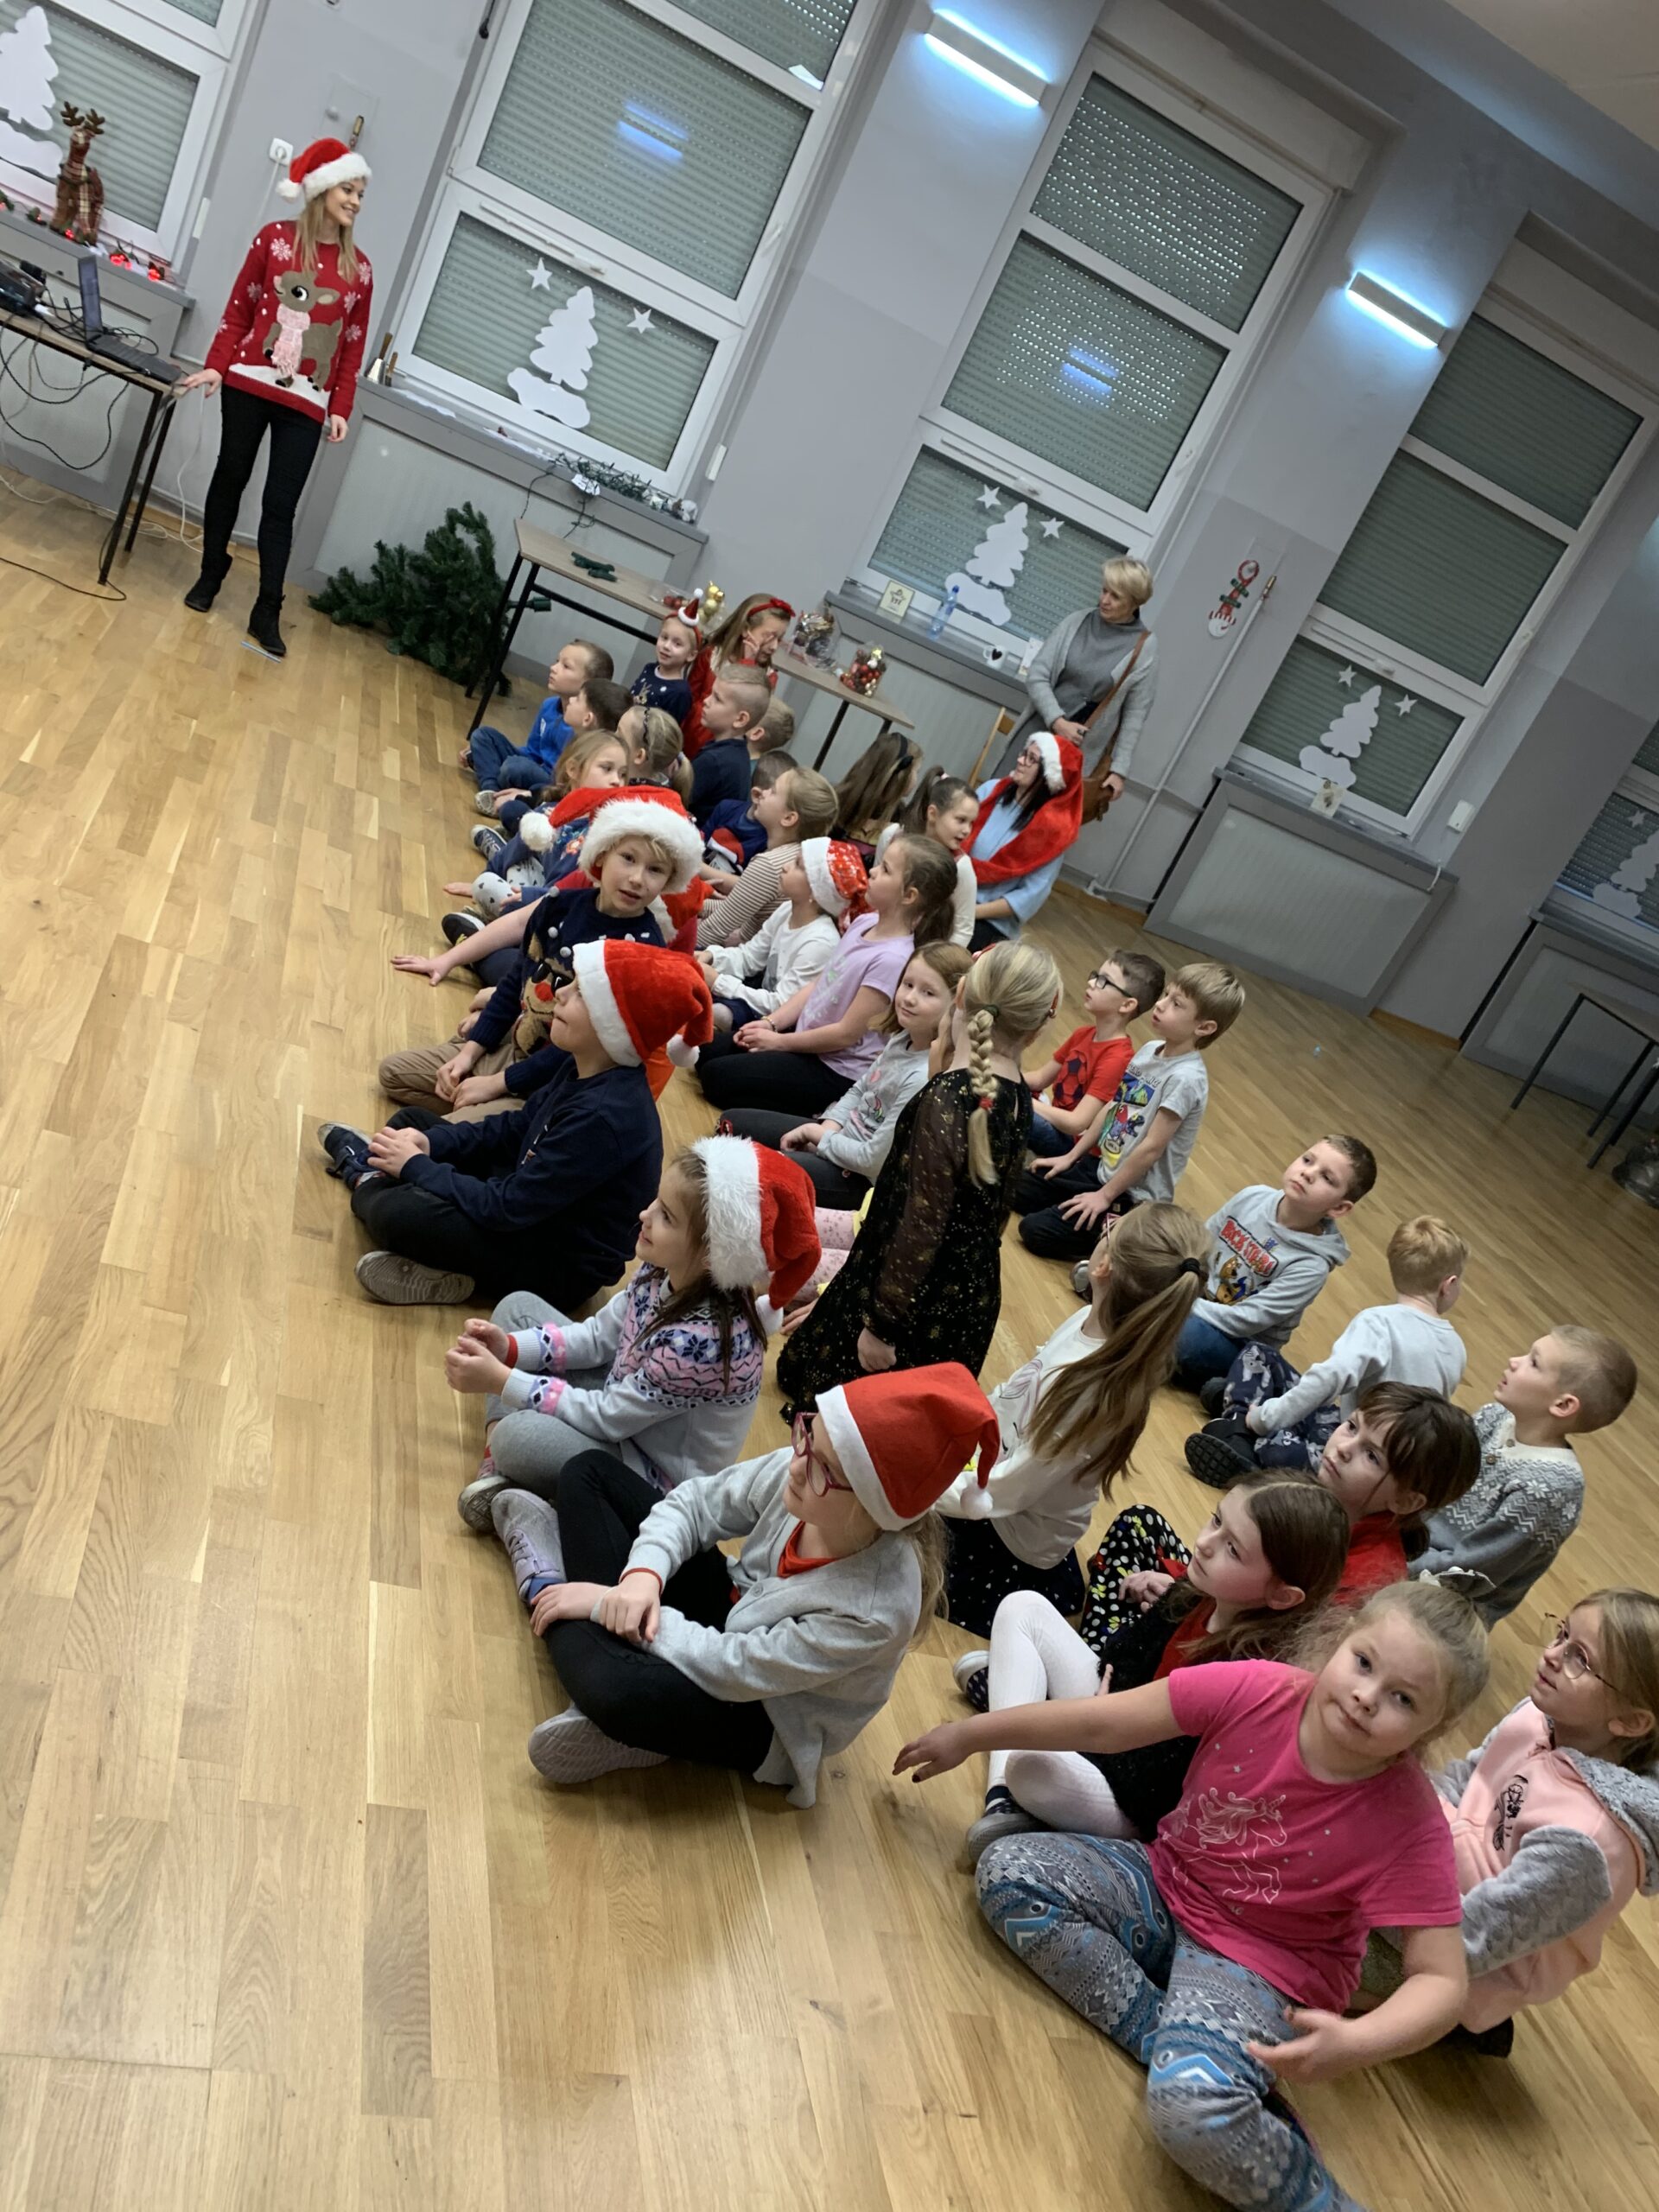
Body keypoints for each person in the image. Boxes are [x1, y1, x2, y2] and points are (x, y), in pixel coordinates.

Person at [898, 1583, 1488, 2212]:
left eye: (1402, 1698)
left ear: (1435, 1726)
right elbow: (1104, 1722)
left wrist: (1357, 2041)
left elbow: (1442, 1981)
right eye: (1364, 1662)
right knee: (1009, 1871)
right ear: (1340, 1640)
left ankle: (1271, 2146)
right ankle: (1189, 2053)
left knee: (1190, 2116)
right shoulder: (1259, 1688)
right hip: (1164, 1884)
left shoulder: (1411, 1820)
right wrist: (974, 1734)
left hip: (1263, 1972)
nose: (1367, 1696)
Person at [493, 1363, 998, 1800]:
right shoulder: (803, 1470)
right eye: (807, 1433)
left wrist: (604, 1603)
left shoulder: (876, 1609)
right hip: (734, 1608)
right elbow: (695, 1504)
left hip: (765, 1711)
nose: (798, 1465)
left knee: (611, 1690)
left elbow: (736, 1668)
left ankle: (546, 1579)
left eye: (823, 1468)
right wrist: (643, 1575)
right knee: (588, 1473)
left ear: (874, 1509)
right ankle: (635, 1719)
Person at [953, 1474, 1351, 1866]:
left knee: (1030, 1765)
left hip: (1135, 1802)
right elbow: (1118, 1655)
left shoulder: (1250, 1669)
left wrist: (1087, 1723)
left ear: (1282, 1595)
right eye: (1216, 1520)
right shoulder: (1197, 1591)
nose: (1205, 1543)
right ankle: (1002, 1798)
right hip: (1113, 1723)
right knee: (1023, 1607)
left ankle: (1024, 1709)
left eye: (1232, 1548)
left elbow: (1156, 1788)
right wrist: (1099, 1710)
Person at [446, 1137, 817, 1526]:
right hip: (625, 1406)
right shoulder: (662, 1269)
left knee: (517, 1438)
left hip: (646, 1476)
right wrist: (510, 1349)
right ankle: (500, 1467)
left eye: (666, 1217)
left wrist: (503, 1380)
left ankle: (509, 1460)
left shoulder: (702, 1345)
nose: (645, 1214)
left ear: (714, 1254)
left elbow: (608, 1418)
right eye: (657, 1201)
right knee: (517, 1309)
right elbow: (597, 1338)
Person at [317, 938, 709, 1306]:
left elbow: (507, 1208)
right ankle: (380, 1179)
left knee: (396, 1213)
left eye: (581, 994)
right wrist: (431, 1146)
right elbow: (517, 1128)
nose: (560, 993)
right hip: (527, 1206)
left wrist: (416, 1167)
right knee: (413, 1124)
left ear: (614, 1027)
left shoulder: (604, 1118)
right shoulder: (584, 1066)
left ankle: (366, 1176)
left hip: (553, 1264)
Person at [1365, 1591, 1659, 2056]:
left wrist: (1366, 1891)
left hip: (1454, 1955)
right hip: (1424, 1872)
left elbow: (1474, 1940)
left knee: (1302, 1950)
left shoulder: (1586, 1843)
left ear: (1630, 1721)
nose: (1552, 1654)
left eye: (1580, 1659)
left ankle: (1459, 2023)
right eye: (1562, 1633)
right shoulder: (1541, 1715)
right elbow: (1466, 1779)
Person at [775, 938, 1060, 1407]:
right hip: (959, 1291)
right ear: (1036, 1028)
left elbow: (920, 1226)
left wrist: (882, 1326)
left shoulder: (947, 1097)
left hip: (908, 1295)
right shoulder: (1015, 1094)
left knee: (846, 1416)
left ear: (960, 993)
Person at [930, 1203, 1211, 1634]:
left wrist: (921, 1491)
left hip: (1006, 1538)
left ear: (1103, 1267)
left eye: (1110, 1227)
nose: (1104, 1228)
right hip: (996, 1487)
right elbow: (1018, 1393)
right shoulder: (1092, 1321)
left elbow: (1006, 1492)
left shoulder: (1089, 1389)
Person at [378, 793, 702, 1121]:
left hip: (548, 1087)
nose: (637, 878)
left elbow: (579, 1054)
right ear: (603, 853)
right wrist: (470, 1052)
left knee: (445, 1130)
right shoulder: (560, 904)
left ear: (669, 880)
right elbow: (514, 982)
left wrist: (497, 1084)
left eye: (655, 870)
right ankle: (476, 1115)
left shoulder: (645, 953)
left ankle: (492, 1126)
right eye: (628, 858)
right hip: (517, 1043)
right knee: (393, 1074)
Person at [180, 138, 373, 658]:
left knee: (279, 507)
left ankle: (267, 608)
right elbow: (239, 310)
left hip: (307, 404)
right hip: (247, 382)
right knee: (229, 477)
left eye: (361, 194)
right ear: (322, 189)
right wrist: (216, 365)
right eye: (348, 190)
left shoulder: (359, 271)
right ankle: (211, 571)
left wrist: (340, 407)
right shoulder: (274, 239)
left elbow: (352, 347)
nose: (356, 201)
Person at [1186, 1214, 1469, 1486]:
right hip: (1384, 1462)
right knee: (1265, 1358)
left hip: (1349, 1449)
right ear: (1449, 1285)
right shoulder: (1456, 1347)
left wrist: (1264, 1420)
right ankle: (1245, 1408)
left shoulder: (1378, 1323)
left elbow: (1329, 1378)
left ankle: (1240, 1430)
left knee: (1257, 1358)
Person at [695, 835, 956, 1116]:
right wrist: (771, 1023)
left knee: (715, 1079)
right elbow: (819, 984)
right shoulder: (865, 922)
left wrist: (779, 1043)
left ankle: (815, 1113)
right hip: (804, 1039)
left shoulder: (894, 958)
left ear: (909, 896)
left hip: (833, 1068)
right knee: (704, 1052)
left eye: (886, 870)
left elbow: (845, 1035)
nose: (873, 871)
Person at [1015, 961, 1244, 1265]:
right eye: (1166, 995)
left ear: (1204, 1028)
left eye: (1176, 1004)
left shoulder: (1187, 1079)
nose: (1160, 1005)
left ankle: (1119, 1241)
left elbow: (1151, 1148)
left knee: (1034, 1231)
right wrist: (1071, 1157)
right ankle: (1080, 1210)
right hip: (1098, 1169)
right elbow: (1114, 1106)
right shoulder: (1149, 1050)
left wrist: (1105, 1196)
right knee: (1013, 1190)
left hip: (1131, 1196)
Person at [1411, 1325, 1638, 1624]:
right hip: (1409, 1546)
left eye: (1533, 1362)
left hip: (1441, 1604)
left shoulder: (1548, 1489)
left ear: (1563, 1405)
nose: (1514, 1361)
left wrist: (1393, 1563)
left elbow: (1469, 1573)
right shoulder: (1494, 1417)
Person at [721, 942, 970, 1205]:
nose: (909, 997)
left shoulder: (922, 1075)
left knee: (753, 1173)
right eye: (908, 984)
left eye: (928, 993)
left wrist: (821, 1139)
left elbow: (872, 1161)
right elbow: (860, 1089)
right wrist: (828, 1128)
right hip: (839, 1139)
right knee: (731, 1125)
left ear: (955, 1007)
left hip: (858, 1179)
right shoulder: (902, 1038)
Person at [1164, 1136, 1376, 1395]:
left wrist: (1177, 1302)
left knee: (1184, 1335)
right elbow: (1199, 1246)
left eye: (1327, 1178)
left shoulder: (1312, 1265)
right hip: (1195, 1301)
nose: (1308, 1173)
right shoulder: (1252, 1197)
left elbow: (1244, 1321)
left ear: (1339, 1208)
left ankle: (1239, 1387)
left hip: (1237, 1344)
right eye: (1307, 1160)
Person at [992, 556, 1159, 806]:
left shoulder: (1144, 647)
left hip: (1076, 753)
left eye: (1115, 596)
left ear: (1134, 602)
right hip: (1036, 731)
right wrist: (1057, 721)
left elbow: (1135, 714)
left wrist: (1119, 770)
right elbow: (1037, 674)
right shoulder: (1077, 621)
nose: (1104, 600)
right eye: (1104, 590)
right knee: (996, 803)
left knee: (1039, 821)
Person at [455, 725, 632, 924]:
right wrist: (481, 880)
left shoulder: (602, 830)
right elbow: (515, 849)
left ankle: (491, 925)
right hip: (537, 892)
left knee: (496, 890)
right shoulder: (550, 811)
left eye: (623, 774)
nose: (617, 781)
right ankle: (495, 922)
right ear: (573, 769)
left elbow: (566, 889)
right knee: (491, 878)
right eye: (607, 769)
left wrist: (530, 896)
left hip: (561, 911)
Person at [699, 837, 861, 1034]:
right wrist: (711, 957)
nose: (785, 867)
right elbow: (749, 957)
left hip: (780, 1025)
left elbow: (781, 1005)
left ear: (817, 891)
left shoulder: (820, 942)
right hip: (764, 997)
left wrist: (717, 981)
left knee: (720, 1011)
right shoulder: (787, 909)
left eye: (798, 865)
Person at [1021, 947, 1163, 1159]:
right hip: (1056, 1123)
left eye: (1103, 981)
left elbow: (1077, 1123)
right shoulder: (1084, 1034)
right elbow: (1041, 1078)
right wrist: (1004, 1078)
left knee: (1010, 1107)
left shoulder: (1118, 1058)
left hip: (1071, 1144)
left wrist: (1021, 1099)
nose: (1091, 983)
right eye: (1096, 976)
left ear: (1127, 1005)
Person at [695, 766, 839, 950]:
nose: (763, 792)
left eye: (773, 791)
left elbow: (714, 929)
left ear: (788, 818)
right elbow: (733, 909)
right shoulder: (794, 853)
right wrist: (687, 902)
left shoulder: (770, 865)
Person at [968, 733, 1084, 947]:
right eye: (1024, 754)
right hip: (953, 893)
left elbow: (1029, 896)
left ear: (1048, 775)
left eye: (1032, 759)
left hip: (989, 921)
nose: (1020, 760)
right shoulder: (990, 791)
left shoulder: (1053, 834)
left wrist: (970, 912)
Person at [461, 639, 614, 795]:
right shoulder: (549, 705)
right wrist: (493, 749)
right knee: (482, 735)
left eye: (566, 666)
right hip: (533, 766)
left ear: (589, 684)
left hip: (553, 783)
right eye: (557, 661)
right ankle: (491, 789)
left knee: (514, 768)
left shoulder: (584, 726)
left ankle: (491, 778)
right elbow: (532, 751)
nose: (553, 668)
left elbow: (567, 781)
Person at [874, 772, 982, 946]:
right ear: (933, 813)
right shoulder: (892, 836)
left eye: (971, 823)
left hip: (920, 949)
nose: (967, 830)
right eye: (961, 820)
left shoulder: (961, 867)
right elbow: (874, 885)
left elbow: (963, 929)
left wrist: (932, 959)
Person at [682, 592, 793, 757]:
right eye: (769, 637)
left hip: (719, 754)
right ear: (745, 629)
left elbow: (744, 727)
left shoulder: (767, 679)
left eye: (780, 639)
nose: (774, 646)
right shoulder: (712, 656)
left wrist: (748, 665)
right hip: (688, 740)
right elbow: (687, 700)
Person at [688, 668, 776, 826]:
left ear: (740, 719)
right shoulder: (737, 753)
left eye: (717, 699)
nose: (706, 701)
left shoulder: (715, 761)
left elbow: (674, 799)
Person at [701, 747, 792, 874]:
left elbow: (747, 882)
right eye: (787, 802)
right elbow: (699, 844)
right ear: (757, 796)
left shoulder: (771, 839)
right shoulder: (726, 808)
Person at [833, 730, 922, 849]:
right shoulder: (835, 804)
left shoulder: (902, 819)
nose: (917, 778)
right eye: (917, 771)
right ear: (901, 774)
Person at [631, 608, 699, 724]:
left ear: (691, 655)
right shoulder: (649, 669)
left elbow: (667, 731)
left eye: (677, 644)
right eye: (664, 637)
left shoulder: (680, 693)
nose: (666, 646)